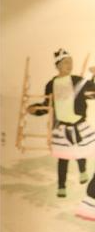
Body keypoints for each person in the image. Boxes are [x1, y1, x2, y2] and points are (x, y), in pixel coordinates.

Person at [27, 49, 95, 197]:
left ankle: (83, 171)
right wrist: (35, 109)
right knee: (63, 158)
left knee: (80, 150)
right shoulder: (51, 84)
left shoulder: (76, 80)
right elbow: (47, 105)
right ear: (58, 65)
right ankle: (61, 187)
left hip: (78, 123)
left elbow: (92, 91)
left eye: (71, 62)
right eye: (65, 62)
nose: (69, 65)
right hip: (62, 127)